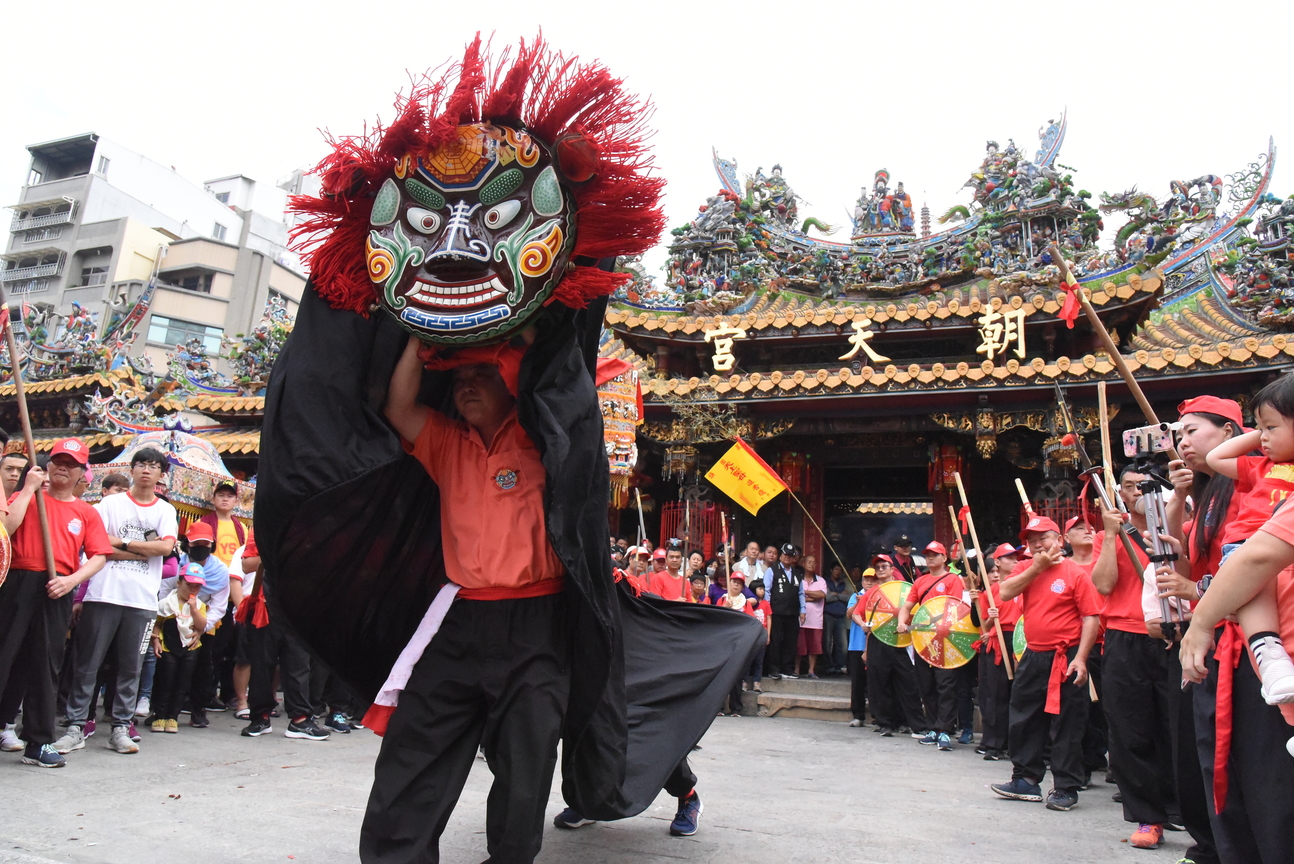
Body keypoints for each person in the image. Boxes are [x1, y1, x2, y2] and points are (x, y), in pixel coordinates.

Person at [1168, 395, 1280, 862]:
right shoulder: (1209, 495)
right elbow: (1189, 566)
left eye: (1192, 431)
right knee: (1214, 763)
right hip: (1216, 639)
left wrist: (1199, 599)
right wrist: (1176, 503)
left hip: (1250, 640)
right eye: (1179, 434)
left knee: (1256, 771)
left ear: (1230, 431)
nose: (1182, 442)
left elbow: (1248, 565)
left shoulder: (1257, 478)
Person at [56, 447, 177, 757]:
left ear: (161, 474)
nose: (146, 470)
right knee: (87, 665)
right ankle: (75, 725)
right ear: (132, 469)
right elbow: (96, 545)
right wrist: (138, 547)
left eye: (153, 466)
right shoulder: (109, 504)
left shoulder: (165, 510)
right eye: (141, 464)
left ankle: (121, 726)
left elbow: (165, 549)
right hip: (103, 594)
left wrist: (118, 544)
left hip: (142, 601)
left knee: (131, 667)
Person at [0, 440, 111, 768]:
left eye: (71, 464)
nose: (63, 467)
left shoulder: (86, 512)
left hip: (57, 587)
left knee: (45, 664)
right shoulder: (29, 496)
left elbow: (99, 556)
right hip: (17, 582)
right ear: (47, 466)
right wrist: (28, 488)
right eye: (58, 461)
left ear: (81, 472)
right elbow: (6, 528)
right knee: (4, 655)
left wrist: (72, 580)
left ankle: (38, 742)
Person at [1093, 467, 1178, 848]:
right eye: (1129, 487)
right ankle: (1148, 816)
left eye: (1144, 486)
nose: (1136, 493)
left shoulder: (1176, 526)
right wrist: (1111, 534)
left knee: (1176, 727)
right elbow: (1104, 584)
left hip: (1173, 634)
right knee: (1130, 729)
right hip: (1126, 638)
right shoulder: (1108, 535)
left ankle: (1182, 808)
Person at [991, 515, 1100, 812]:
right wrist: (1037, 567)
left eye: (1043, 538)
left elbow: (1091, 617)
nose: (1037, 544)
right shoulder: (1025, 567)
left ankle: (1065, 786)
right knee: (1024, 716)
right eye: (1031, 540)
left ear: (1059, 540)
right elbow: (1005, 592)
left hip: (1067, 655)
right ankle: (1025, 779)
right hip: (1033, 653)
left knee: (1068, 722)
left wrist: (1081, 658)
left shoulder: (1075, 573)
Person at [1200, 376, 1294, 703]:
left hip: (1281, 549)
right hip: (1246, 544)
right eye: (1260, 429)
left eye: (1271, 428)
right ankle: (1269, 653)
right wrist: (1265, 429)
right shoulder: (1262, 466)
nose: (1263, 437)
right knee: (1254, 587)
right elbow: (1215, 458)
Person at [897, 540, 962, 750]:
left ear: (944, 557)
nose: (931, 558)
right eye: (928, 555)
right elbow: (906, 607)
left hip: (946, 639)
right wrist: (901, 622)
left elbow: (956, 608)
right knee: (926, 685)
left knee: (946, 685)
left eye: (935, 554)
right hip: (923, 640)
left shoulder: (953, 579)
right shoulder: (920, 581)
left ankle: (945, 730)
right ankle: (933, 727)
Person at [859, 554, 925, 737]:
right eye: (878, 567)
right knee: (879, 683)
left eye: (884, 566)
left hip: (900, 640)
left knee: (908, 682)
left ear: (892, 569)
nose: (881, 570)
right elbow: (857, 613)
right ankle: (884, 723)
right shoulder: (871, 592)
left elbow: (916, 610)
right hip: (878, 639)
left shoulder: (903, 588)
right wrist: (863, 626)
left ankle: (916, 724)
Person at [178, 521, 230, 727]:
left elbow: (219, 606)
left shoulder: (220, 571)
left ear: (212, 545)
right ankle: (163, 710)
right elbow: (165, 593)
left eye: (205, 544)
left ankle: (199, 709)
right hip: (175, 617)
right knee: (170, 665)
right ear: (187, 544)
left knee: (203, 667)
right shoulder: (176, 564)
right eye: (196, 543)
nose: (201, 547)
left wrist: (202, 627)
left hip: (205, 621)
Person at [973, 543, 1022, 760]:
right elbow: (983, 624)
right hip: (997, 641)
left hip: (1020, 640)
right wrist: (992, 619)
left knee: (1018, 694)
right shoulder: (990, 592)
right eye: (1009, 558)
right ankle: (993, 743)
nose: (1015, 561)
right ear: (998, 562)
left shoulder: (1024, 586)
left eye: (1016, 558)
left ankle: (1016, 743)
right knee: (994, 693)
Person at [148, 563, 207, 733]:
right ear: (179, 583)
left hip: (189, 648)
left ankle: (173, 717)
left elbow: (202, 625)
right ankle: (160, 715)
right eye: (189, 585)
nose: (193, 589)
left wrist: (194, 608)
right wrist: (156, 640)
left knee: (182, 684)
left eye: (197, 586)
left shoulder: (199, 605)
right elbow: (157, 623)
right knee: (165, 682)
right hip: (168, 647)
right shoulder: (166, 603)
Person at [766, 543, 805, 679]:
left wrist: (803, 610)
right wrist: (767, 609)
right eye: (785, 554)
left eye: (790, 555)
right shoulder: (772, 570)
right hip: (776, 611)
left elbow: (801, 593)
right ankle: (774, 668)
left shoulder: (797, 573)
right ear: (781, 555)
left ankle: (788, 668)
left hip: (793, 612)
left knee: (791, 641)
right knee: (776, 640)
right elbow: (767, 590)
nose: (787, 557)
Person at [844, 567, 875, 727]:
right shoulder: (856, 596)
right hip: (857, 644)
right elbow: (849, 614)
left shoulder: (880, 595)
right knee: (857, 681)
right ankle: (858, 715)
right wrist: (858, 602)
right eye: (866, 579)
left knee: (875, 681)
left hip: (874, 644)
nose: (869, 582)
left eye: (872, 580)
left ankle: (877, 715)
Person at [717, 573, 749, 716]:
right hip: (724, 642)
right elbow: (716, 619)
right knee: (721, 676)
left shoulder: (746, 603)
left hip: (739, 642)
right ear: (729, 583)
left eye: (739, 583)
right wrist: (725, 607)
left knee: (736, 676)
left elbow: (751, 621)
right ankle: (717, 707)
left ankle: (736, 708)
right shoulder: (722, 600)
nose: (736, 585)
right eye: (734, 581)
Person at [796, 562, 827, 678]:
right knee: (799, 646)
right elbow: (795, 596)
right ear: (803, 564)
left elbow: (822, 595)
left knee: (815, 646)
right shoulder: (798, 578)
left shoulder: (821, 580)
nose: (812, 564)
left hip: (816, 619)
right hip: (800, 618)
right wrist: (812, 597)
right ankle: (796, 670)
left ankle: (811, 670)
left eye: (814, 563)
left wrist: (804, 593)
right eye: (809, 562)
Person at [822, 562, 850, 674]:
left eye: (840, 570)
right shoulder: (825, 582)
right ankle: (828, 666)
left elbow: (848, 598)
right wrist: (840, 595)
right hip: (828, 614)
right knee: (827, 642)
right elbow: (826, 597)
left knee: (842, 643)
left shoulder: (844, 583)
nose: (838, 572)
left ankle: (839, 666)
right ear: (831, 570)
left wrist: (835, 594)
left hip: (840, 615)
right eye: (836, 569)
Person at [745, 579, 771, 693]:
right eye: (760, 588)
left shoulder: (766, 603)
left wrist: (768, 635)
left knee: (759, 660)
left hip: (762, 634)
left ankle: (757, 682)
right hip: (750, 635)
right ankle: (744, 681)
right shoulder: (748, 603)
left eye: (763, 589)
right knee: (747, 660)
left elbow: (769, 619)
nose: (762, 591)